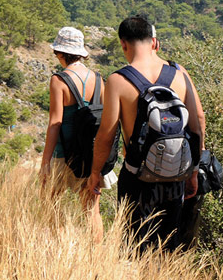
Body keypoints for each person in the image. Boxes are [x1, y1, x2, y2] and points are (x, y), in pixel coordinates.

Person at [86, 16, 205, 250]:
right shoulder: (180, 74)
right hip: (175, 174)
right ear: (154, 42)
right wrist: (193, 170)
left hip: (137, 177)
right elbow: (198, 122)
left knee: (136, 247)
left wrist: (95, 173)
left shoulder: (118, 80)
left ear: (123, 44)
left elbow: (106, 135)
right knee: (168, 247)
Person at [40, 26, 114, 243]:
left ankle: (59, 249)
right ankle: (95, 257)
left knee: (51, 203)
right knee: (92, 210)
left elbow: (55, 123)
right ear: (81, 53)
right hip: (92, 155)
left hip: (65, 153)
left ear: (61, 53)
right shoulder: (100, 80)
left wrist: (45, 162)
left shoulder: (59, 80)